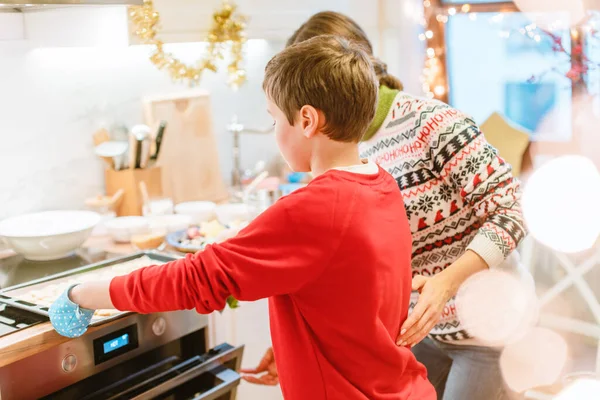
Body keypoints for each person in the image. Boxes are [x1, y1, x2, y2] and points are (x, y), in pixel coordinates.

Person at [49, 35, 435, 400]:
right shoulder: (380, 184)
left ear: (306, 121)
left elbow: (196, 279)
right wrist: (297, 351)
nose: (274, 133)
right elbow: (356, 306)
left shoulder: (315, 209)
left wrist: (84, 293)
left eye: (273, 120)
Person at [242, 11, 528, 400]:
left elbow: (511, 212)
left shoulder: (435, 124)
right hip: (415, 332)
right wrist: (298, 341)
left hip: (486, 327)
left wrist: (446, 282)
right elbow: (345, 266)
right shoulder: (335, 149)